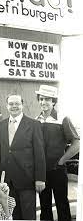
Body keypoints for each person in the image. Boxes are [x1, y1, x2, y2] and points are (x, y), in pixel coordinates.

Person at [0, 94, 46, 220]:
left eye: (17, 103)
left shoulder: (34, 124)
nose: (14, 106)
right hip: (7, 181)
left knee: (28, 216)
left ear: (22, 105)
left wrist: (40, 178)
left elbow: (40, 153)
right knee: (13, 215)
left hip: (27, 178)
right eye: (11, 104)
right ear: (7, 106)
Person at [35, 84, 80, 221]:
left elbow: (77, 143)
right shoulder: (36, 120)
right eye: (41, 99)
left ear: (54, 101)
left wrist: (61, 160)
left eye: (47, 99)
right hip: (42, 172)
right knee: (45, 206)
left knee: (62, 205)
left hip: (58, 170)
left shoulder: (62, 119)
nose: (44, 102)